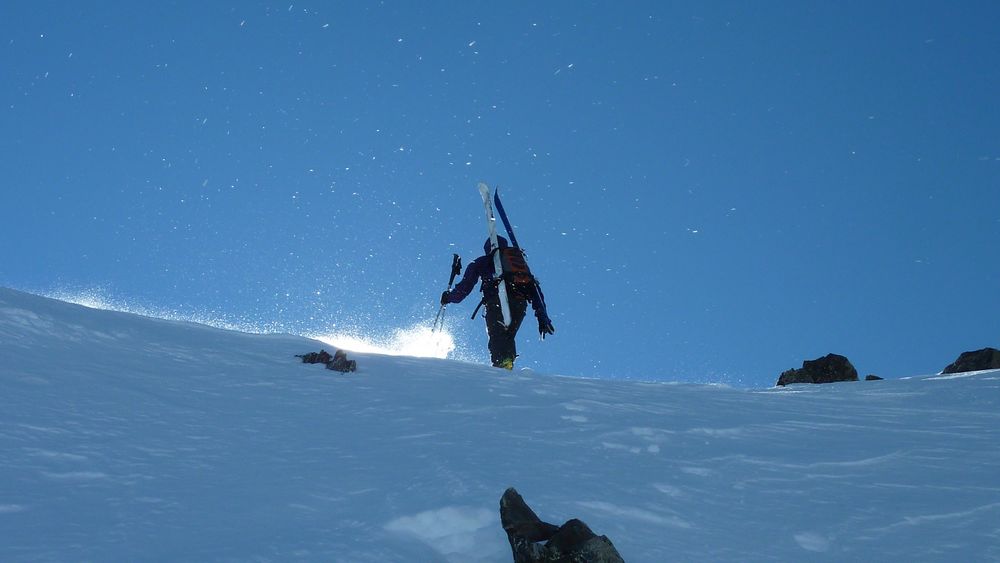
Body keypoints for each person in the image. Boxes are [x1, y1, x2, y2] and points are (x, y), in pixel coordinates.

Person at [441, 236, 554, 369]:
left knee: (497, 335)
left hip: (497, 301)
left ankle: (502, 367)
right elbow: (535, 291)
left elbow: (463, 290)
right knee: (507, 335)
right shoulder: (519, 266)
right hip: (519, 304)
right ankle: (507, 364)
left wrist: (449, 297)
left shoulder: (483, 261)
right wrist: (543, 318)